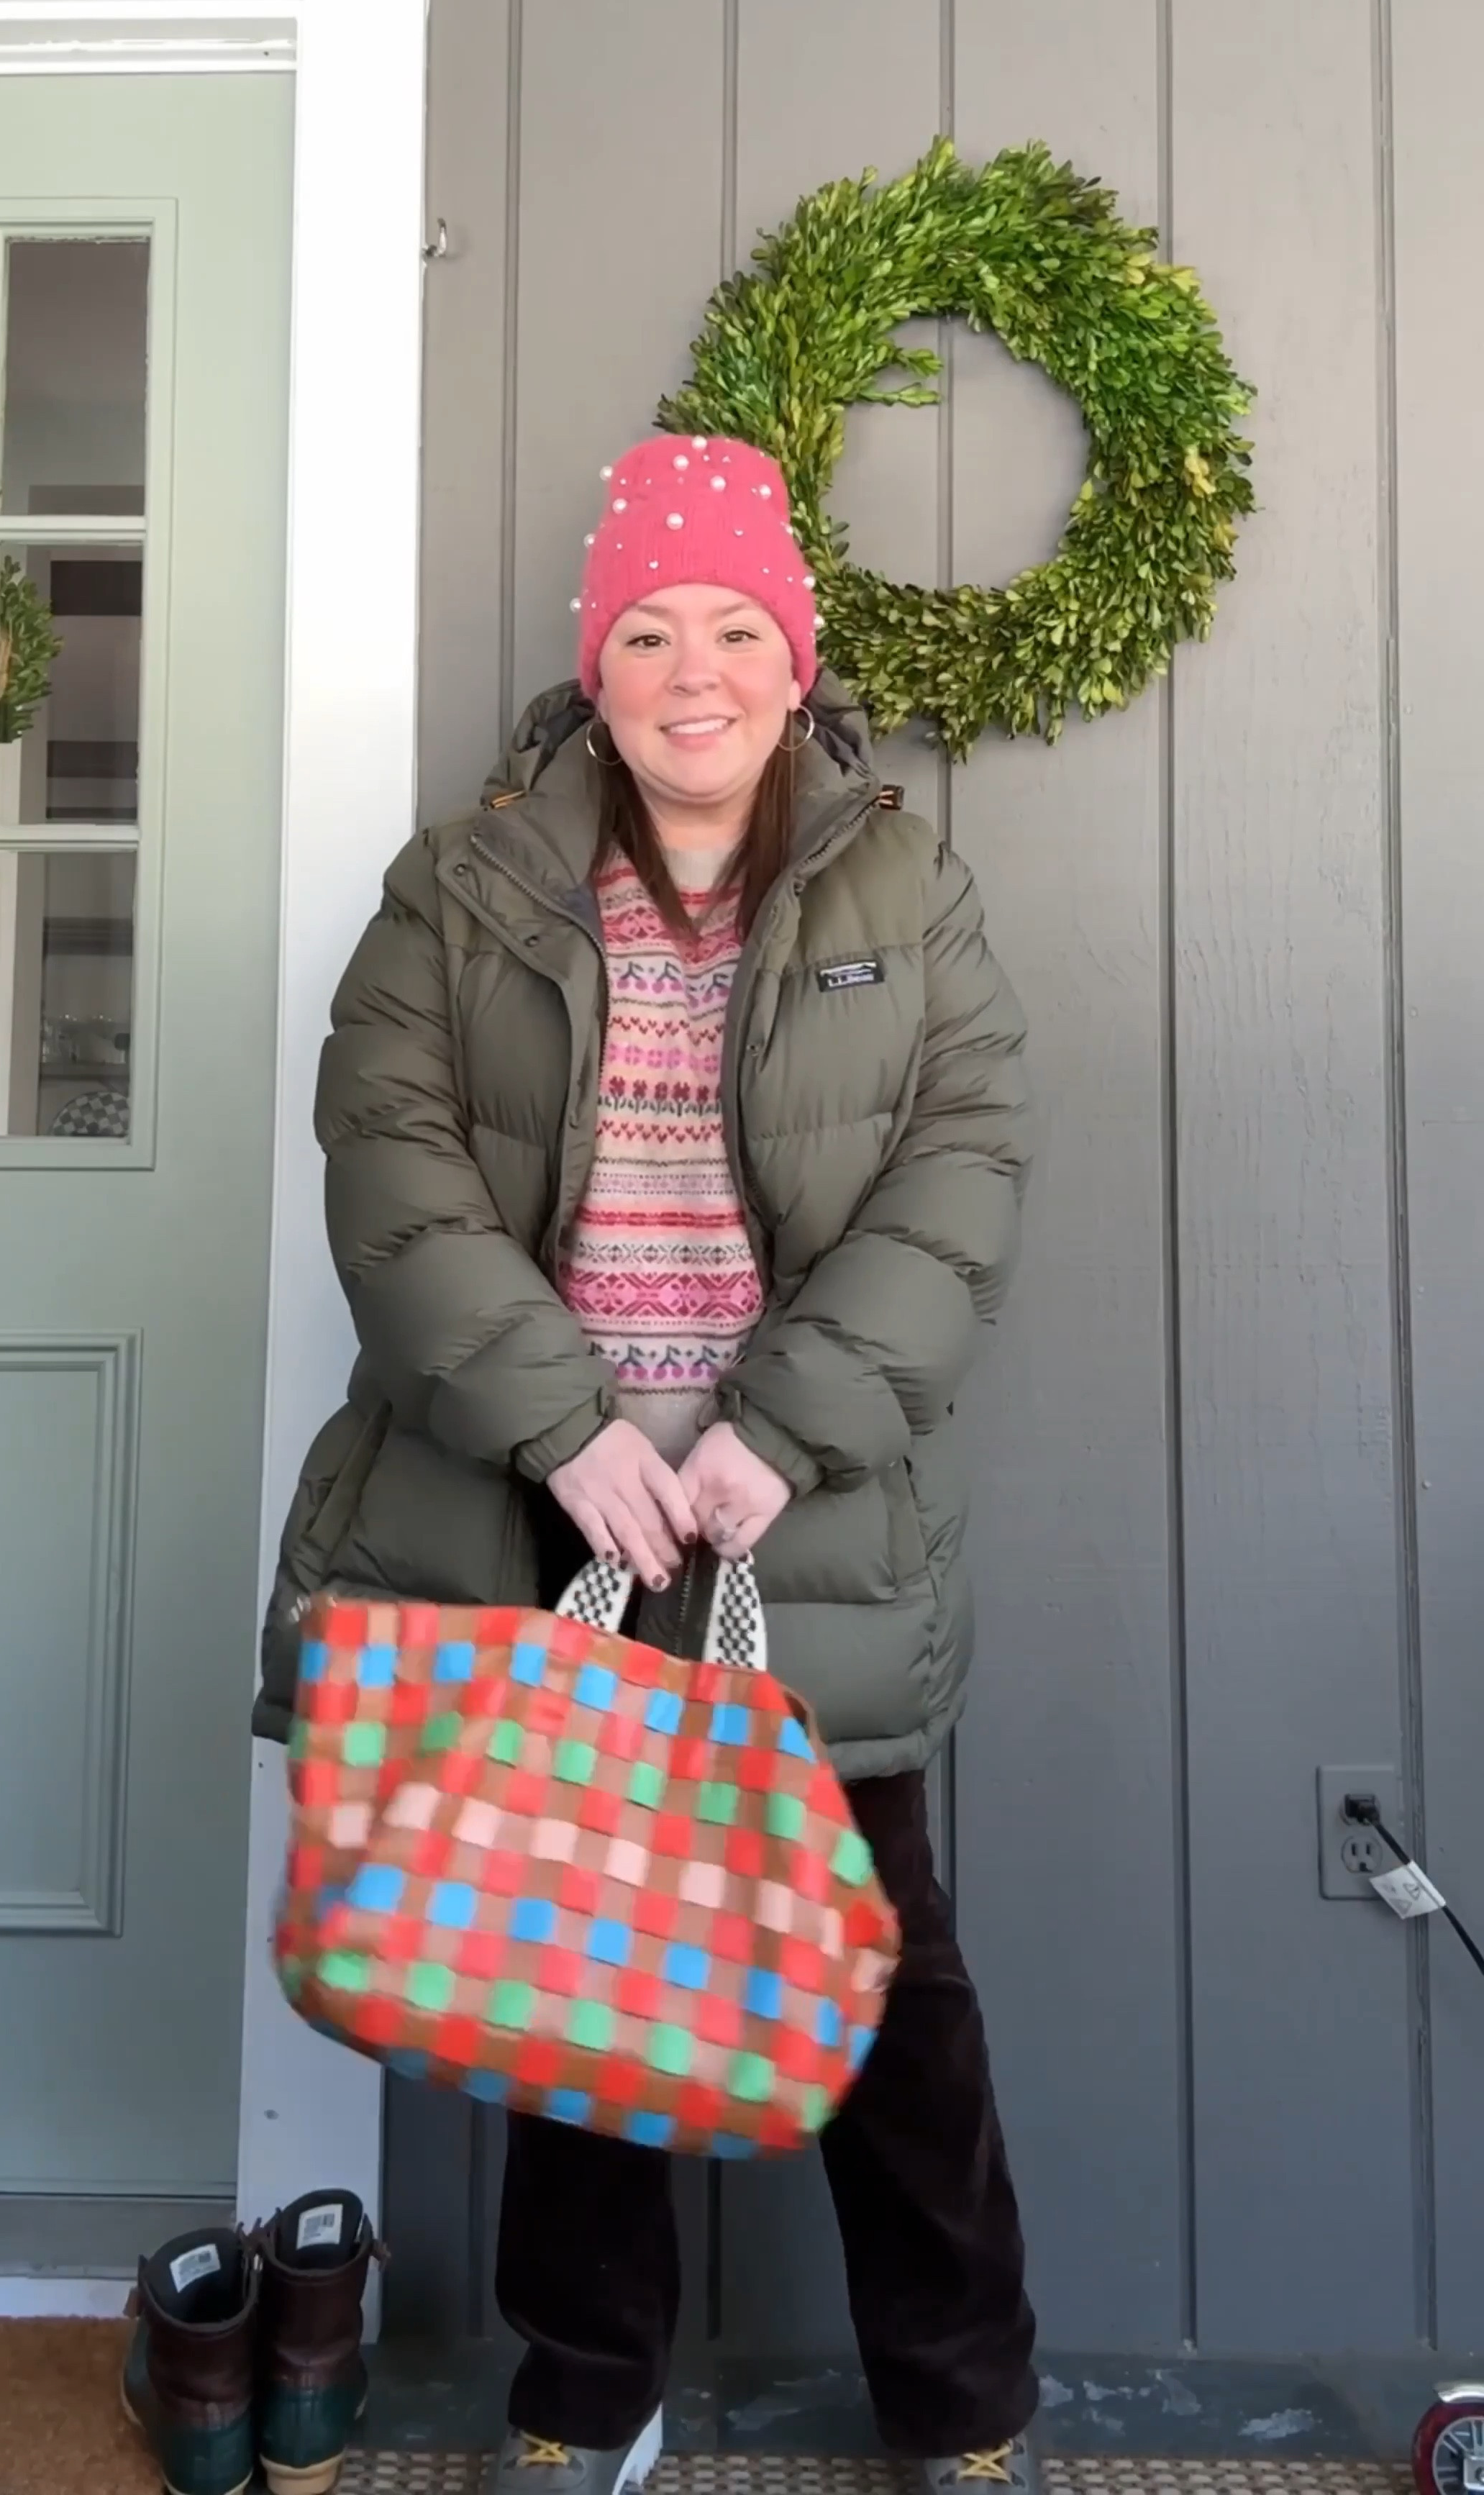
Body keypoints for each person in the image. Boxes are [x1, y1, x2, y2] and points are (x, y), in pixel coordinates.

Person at [259, 432, 1039, 2495]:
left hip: (809, 1523)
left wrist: (778, 1433)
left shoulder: (907, 887)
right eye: (648, 631)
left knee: (894, 1987)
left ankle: (963, 2401)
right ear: (592, 666)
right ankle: (590, 2386)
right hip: (542, 1508)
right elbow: (391, 1170)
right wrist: (571, 1428)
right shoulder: (460, 887)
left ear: (796, 658)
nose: (695, 671)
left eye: (735, 628)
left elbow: (961, 1173)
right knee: (571, 1951)